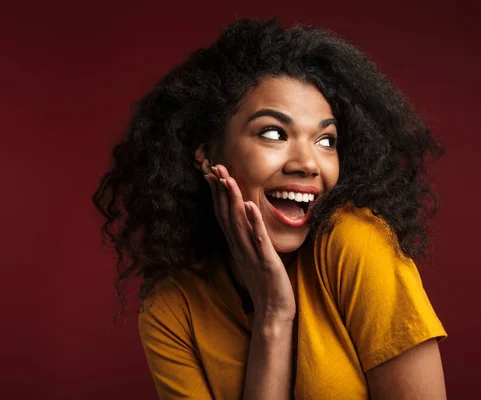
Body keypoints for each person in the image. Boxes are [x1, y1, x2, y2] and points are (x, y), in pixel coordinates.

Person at [92, 17, 448, 399]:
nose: (308, 163)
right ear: (208, 154)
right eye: (274, 133)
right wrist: (274, 317)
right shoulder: (172, 310)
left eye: (326, 141)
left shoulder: (354, 242)